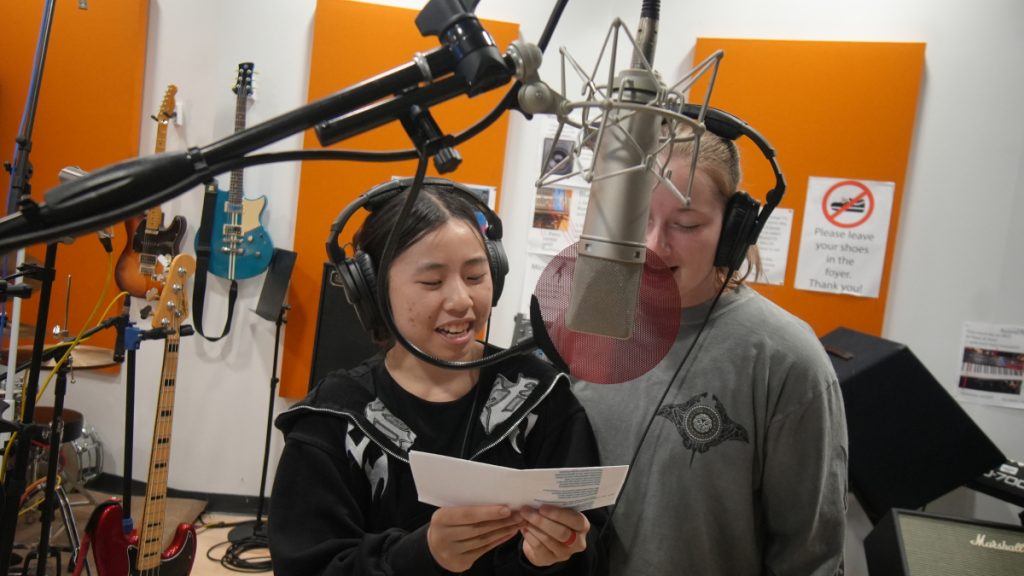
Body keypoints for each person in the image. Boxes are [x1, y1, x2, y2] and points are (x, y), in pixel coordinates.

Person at [269, 179, 605, 576]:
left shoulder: (543, 398)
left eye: (475, 276)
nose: (461, 301)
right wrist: (420, 556)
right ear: (374, 292)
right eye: (432, 282)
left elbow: (589, 548)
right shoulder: (331, 420)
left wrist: (545, 559)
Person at [572, 131, 849, 575]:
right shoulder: (589, 323)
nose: (654, 246)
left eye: (686, 225)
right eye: (639, 218)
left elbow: (810, 556)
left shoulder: (787, 360)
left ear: (734, 231)